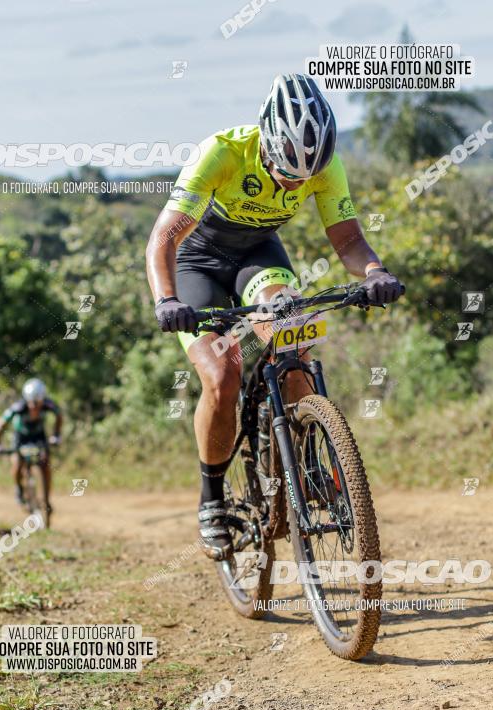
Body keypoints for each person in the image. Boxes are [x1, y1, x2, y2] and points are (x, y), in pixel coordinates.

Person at [146, 73, 404, 559]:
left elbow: (347, 240)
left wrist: (374, 271)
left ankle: (305, 463)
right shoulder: (221, 153)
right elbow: (164, 237)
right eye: (287, 172)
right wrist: (166, 300)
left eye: (306, 177)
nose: (296, 183)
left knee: (293, 338)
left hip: (258, 256)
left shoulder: (325, 165)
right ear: (267, 140)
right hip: (196, 261)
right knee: (223, 375)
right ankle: (212, 498)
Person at [0, 379, 62, 510]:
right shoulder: (18, 407)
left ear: (42, 400)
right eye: (31, 403)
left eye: (37, 403)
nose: (34, 407)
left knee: (45, 463)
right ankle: (19, 488)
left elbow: (59, 416)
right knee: (17, 464)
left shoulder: (48, 405)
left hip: (39, 435)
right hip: (20, 436)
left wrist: (56, 435)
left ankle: (46, 500)